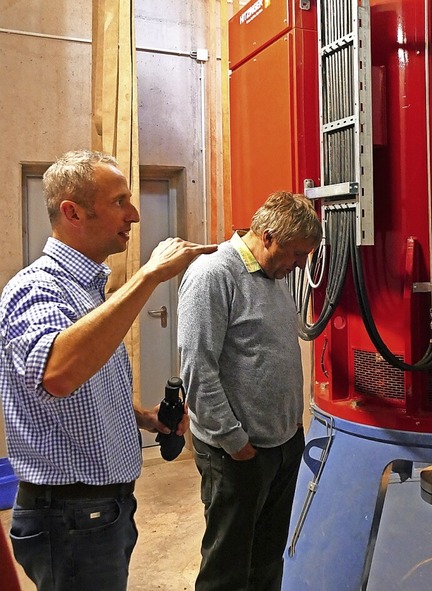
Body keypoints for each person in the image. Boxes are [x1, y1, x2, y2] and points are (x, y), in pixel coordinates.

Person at [0, 149, 217, 591]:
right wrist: (149, 276)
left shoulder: (88, 290)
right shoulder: (35, 288)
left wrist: (143, 416)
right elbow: (58, 374)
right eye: (119, 201)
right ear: (72, 211)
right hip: (70, 515)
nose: (133, 215)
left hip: (101, 509)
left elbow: (86, 381)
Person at [178, 191, 322, 591]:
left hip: (282, 446)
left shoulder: (275, 277)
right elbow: (197, 366)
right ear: (269, 236)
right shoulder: (214, 274)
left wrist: (293, 427)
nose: (298, 266)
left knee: (266, 561)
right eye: (295, 254)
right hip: (237, 453)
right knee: (227, 568)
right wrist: (232, 439)